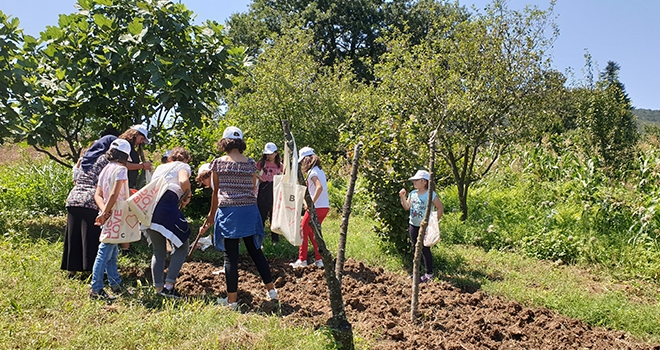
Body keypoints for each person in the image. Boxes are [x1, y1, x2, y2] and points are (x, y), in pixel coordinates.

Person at [199, 126, 277, 309]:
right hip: (249, 211)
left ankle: (232, 302)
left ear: (224, 142)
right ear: (241, 143)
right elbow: (252, 188)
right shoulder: (250, 163)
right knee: (256, 252)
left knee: (230, 257)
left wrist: (211, 217)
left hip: (229, 213)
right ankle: (272, 291)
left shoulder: (218, 163)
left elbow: (216, 192)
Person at [62, 135, 117, 278]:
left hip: (74, 198)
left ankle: (71, 270)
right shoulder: (105, 160)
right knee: (90, 236)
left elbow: (75, 179)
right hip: (91, 199)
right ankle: (88, 270)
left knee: (73, 235)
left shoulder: (84, 159)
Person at [144, 147, 192, 298]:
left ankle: (158, 289)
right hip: (166, 208)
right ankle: (169, 286)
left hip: (149, 209)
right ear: (185, 159)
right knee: (183, 246)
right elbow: (183, 180)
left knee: (158, 251)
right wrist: (188, 196)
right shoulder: (183, 166)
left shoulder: (160, 167)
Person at [89, 139, 133, 300]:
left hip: (108, 213)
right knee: (105, 251)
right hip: (117, 214)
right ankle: (96, 289)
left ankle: (116, 284)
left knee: (113, 253)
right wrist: (107, 211)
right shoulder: (121, 169)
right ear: (125, 156)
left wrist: (103, 211)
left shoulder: (105, 169)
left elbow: (98, 195)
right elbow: (115, 194)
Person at [398, 169, 444, 283]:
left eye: (416, 180)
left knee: (425, 248)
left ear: (424, 182)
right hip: (413, 224)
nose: (414, 182)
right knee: (414, 248)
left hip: (425, 226)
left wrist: (433, 221)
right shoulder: (413, 193)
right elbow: (407, 207)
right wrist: (402, 197)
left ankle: (429, 274)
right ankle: (416, 272)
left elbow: (440, 207)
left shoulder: (430, 195)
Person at [290, 147, 330, 269]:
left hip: (317, 207)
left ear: (307, 159)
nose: (302, 164)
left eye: (302, 161)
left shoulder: (313, 173)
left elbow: (319, 187)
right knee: (313, 232)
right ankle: (319, 259)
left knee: (303, 229)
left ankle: (302, 260)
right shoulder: (319, 170)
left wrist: (311, 203)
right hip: (324, 206)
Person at [117, 124, 154, 253]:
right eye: (141, 138)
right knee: (123, 214)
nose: (141, 142)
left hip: (127, 185)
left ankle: (124, 244)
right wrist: (142, 166)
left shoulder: (130, 147)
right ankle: (123, 246)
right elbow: (123, 164)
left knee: (126, 213)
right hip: (122, 186)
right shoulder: (124, 146)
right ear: (135, 134)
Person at [256, 142, 282, 245]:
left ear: (276, 153)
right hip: (263, 189)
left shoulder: (280, 165)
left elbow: (287, 175)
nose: (269, 156)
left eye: (271, 153)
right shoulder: (262, 164)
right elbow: (252, 171)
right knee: (261, 215)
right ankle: (259, 240)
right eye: (267, 154)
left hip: (275, 190)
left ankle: (275, 240)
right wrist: (259, 178)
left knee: (274, 216)